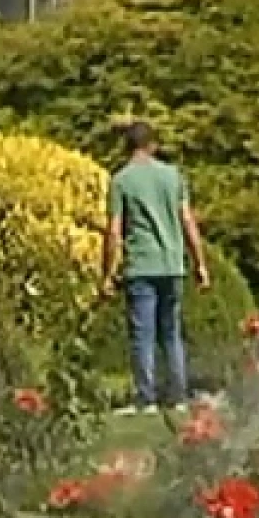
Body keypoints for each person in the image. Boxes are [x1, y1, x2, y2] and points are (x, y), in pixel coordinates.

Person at [101, 121, 210, 413]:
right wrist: (200, 262)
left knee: (143, 334)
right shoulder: (172, 176)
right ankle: (178, 395)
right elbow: (187, 220)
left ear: (127, 147)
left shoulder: (121, 181)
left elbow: (113, 230)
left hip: (141, 264)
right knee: (171, 332)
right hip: (172, 263)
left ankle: (146, 398)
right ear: (153, 145)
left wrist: (108, 272)